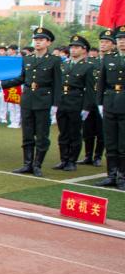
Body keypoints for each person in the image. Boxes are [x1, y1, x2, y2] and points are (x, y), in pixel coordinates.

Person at [0, 27, 61, 177]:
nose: (38, 42)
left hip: (43, 99)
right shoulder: (28, 58)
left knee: (42, 135)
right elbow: (22, 78)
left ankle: (37, 165)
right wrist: (2, 84)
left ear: (48, 42)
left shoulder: (54, 60)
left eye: (41, 40)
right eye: (36, 40)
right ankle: (27, 164)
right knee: (27, 134)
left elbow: (57, 84)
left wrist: (55, 104)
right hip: (28, 99)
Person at [52, 35, 96, 172]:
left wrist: (86, 108)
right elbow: (57, 85)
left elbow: (90, 90)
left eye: (77, 47)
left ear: (84, 50)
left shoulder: (88, 67)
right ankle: (63, 159)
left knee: (75, 133)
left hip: (76, 102)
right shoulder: (64, 64)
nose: (73, 50)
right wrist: (55, 103)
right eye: (71, 47)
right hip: (62, 101)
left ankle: (72, 161)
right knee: (63, 133)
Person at [95, 25, 125, 189]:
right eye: (119, 39)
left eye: (124, 39)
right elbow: (101, 82)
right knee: (110, 141)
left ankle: (122, 177)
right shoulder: (108, 58)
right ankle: (111, 175)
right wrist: (100, 103)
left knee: (123, 143)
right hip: (110, 102)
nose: (122, 41)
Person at [82, 28, 114, 166]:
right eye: (102, 42)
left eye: (107, 42)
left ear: (113, 45)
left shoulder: (114, 61)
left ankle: (98, 156)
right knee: (88, 130)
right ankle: (88, 155)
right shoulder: (91, 62)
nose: (103, 44)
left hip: (105, 100)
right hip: (90, 100)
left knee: (101, 131)